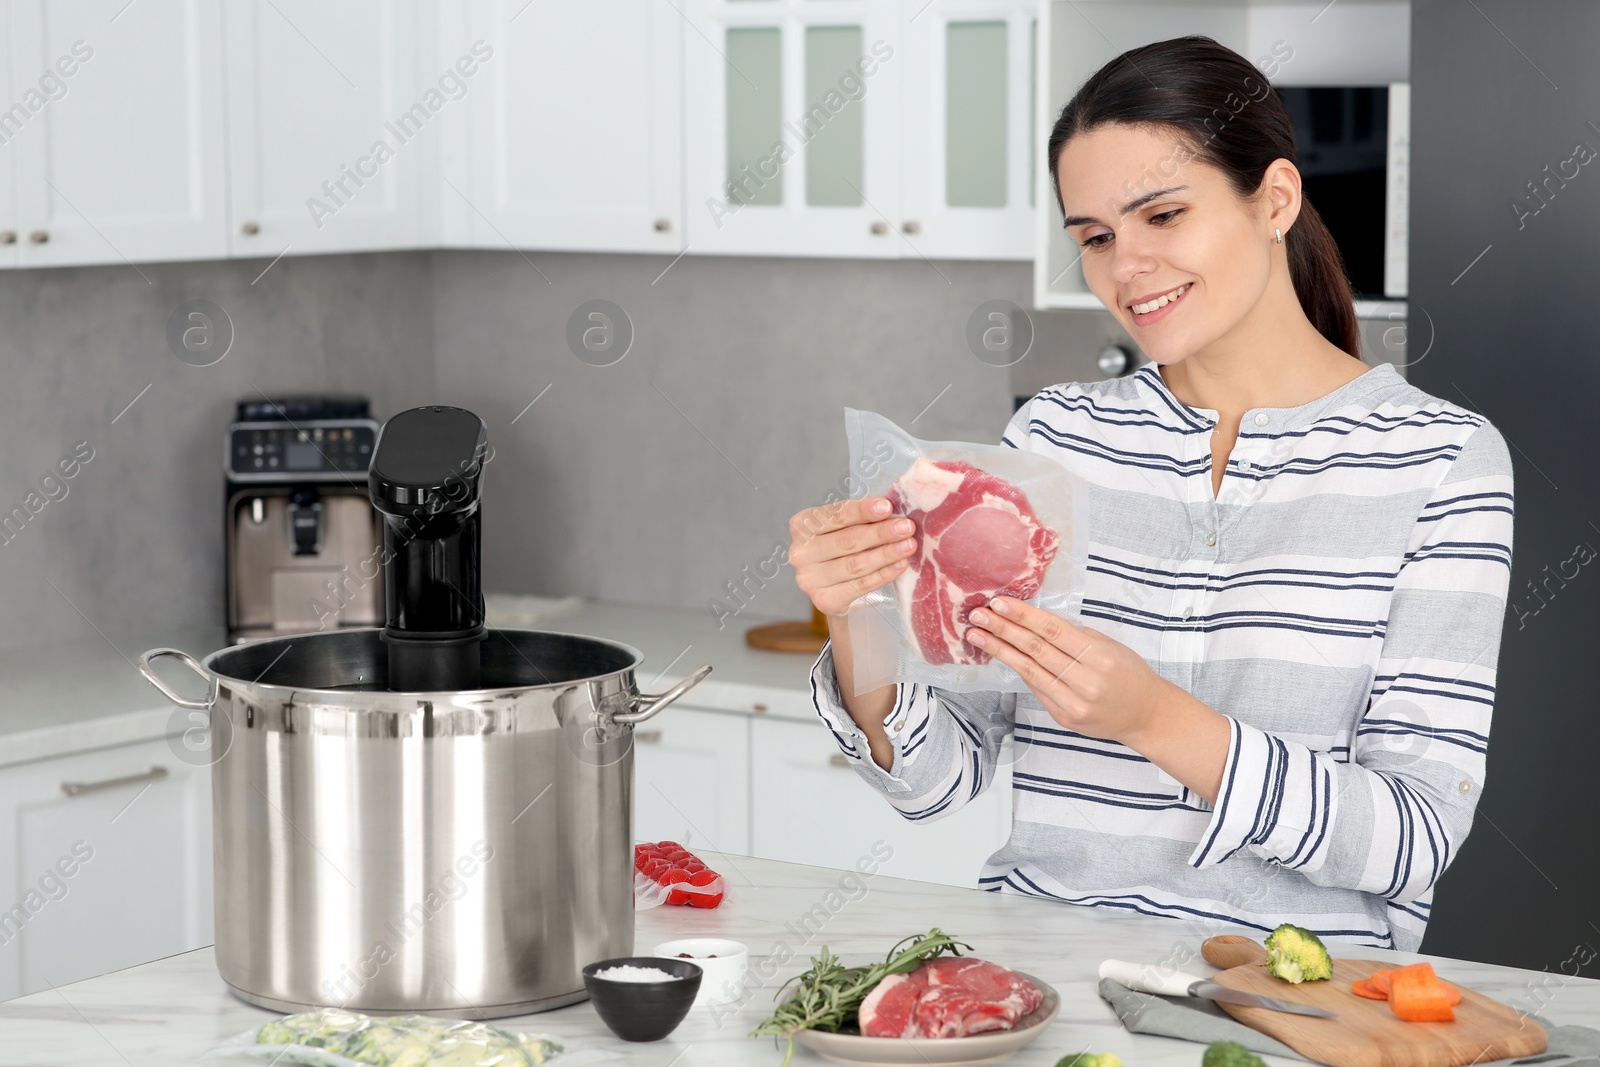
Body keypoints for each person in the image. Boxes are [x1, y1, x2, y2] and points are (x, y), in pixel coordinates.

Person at [787, 36, 1514, 952]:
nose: (1124, 267)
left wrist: (1150, 716)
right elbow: (937, 779)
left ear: (1275, 199)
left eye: (1162, 216)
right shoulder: (1054, 438)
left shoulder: (1442, 461)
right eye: (1094, 237)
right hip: (1040, 983)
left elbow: (1411, 838)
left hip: (1294, 1006)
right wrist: (856, 608)